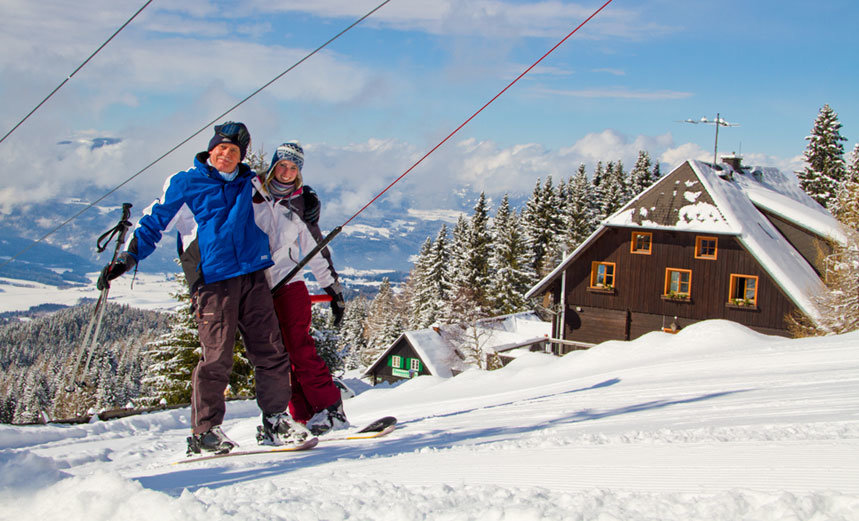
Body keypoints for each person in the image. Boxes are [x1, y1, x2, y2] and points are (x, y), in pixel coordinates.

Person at [97, 122, 310, 454]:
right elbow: (154, 221)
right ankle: (205, 433)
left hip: (253, 273)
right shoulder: (185, 182)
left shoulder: (248, 182)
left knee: (271, 350)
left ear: (241, 156)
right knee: (217, 357)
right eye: (222, 147)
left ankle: (275, 421)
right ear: (211, 149)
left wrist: (308, 200)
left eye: (234, 151)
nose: (226, 154)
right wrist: (128, 257)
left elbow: (282, 186)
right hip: (213, 279)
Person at [255, 140, 349, 436]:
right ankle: (303, 416)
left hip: (289, 281)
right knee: (276, 356)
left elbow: (315, 249)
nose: (286, 172)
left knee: (299, 348)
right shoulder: (251, 194)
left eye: (293, 168)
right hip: (256, 286)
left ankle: (331, 408)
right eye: (282, 165)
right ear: (273, 165)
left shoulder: (298, 204)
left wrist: (332, 288)